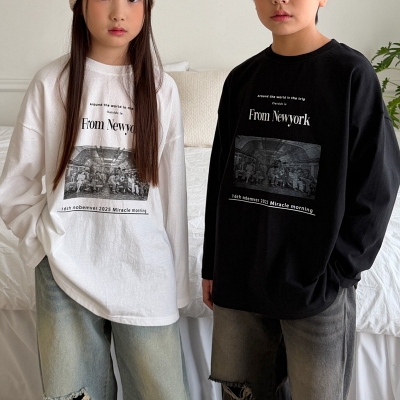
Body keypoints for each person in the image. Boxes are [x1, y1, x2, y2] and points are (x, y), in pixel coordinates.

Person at [201, 0, 400, 399]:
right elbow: (220, 179)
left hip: (317, 288)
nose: (280, 1)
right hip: (240, 281)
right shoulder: (241, 79)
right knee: (242, 394)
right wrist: (213, 264)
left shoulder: (351, 74)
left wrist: (339, 272)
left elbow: (378, 186)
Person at [0, 1, 190, 399]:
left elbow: (173, 195)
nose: (119, 12)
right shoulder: (52, 82)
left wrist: (175, 286)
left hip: (144, 273)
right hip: (63, 273)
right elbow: (15, 185)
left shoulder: (161, 88)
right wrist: (42, 242)